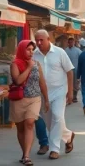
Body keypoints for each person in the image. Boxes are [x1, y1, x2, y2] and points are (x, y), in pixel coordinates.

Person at [33, 30, 76, 160]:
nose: (39, 43)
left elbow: (69, 71)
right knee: (49, 122)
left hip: (59, 91)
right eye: (37, 40)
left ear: (48, 39)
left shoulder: (59, 52)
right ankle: (68, 136)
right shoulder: (34, 55)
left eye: (42, 40)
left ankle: (54, 149)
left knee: (57, 116)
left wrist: (70, 92)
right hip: (42, 93)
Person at [9, 40, 50, 166]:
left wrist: (46, 99)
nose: (31, 52)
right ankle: (24, 153)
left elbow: (42, 82)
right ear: (22, 50)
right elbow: (18, 81)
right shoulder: (15, 64)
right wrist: (28, 67)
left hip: (34, 99)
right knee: (20, 128)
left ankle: (27, 156)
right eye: (28, 49)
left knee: (30, 123)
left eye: (32, 49)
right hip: (18, 99)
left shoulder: (37, 64)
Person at [65, 37, 82, 103]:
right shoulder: (65, 51)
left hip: (75, 69)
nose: (71, 43)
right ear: (68, 43)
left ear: (74, 43)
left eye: (72, 42)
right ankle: (68, 96)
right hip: (67, 70)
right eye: (69, 42)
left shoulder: (78, 51)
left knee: (75, 83)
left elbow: (81, 60)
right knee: (67, 83)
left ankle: (74, 96)